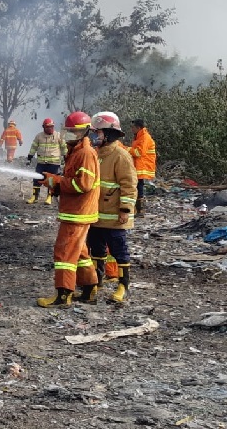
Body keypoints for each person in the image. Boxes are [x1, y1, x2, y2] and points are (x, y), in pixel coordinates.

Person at [36, 111, 100, 308]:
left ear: (86, 131)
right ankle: (89, 290)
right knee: (80, 253)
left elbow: (84, 185)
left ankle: (63, 295)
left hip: (77, 213)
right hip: (77, 212)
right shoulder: (77, 150)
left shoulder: (85, 153)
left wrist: (56, 181)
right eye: (69, 130)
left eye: (75, 131)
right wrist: (55, 184)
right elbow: (73, 181)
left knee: (64, 254)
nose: (71, 134)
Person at [76, 111, 138, 305]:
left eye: (98, 132)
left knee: (119, 251)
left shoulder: (121, 155)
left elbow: (129, 185)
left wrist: (125, 210)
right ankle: (96, 283)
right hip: (96, 214)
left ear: (109, 134)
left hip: (114, 216)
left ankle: (123, 285)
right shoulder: (96, 154)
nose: (95, 136)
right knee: (96, 250)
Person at [25, 118, 67, 204]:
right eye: (48, 127)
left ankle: (49, 197)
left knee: (51, 181)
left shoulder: (58, 136)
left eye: (51, 127)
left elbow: (64, 147)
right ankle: (34, 197)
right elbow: (34, 147)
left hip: (54, 164)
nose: (50, 129)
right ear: (43, 127)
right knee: (36, 179)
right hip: (41, 163)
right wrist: (30, 157)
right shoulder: (39, 136)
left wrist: (66, 157)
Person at [126, 119, 156, 217]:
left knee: (139, 188)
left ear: (138, 128)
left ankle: (140, 211)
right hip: (138, 166)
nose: (131, 129)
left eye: (133, 127)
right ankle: (137, 210)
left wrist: (127, 149)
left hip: (142, 167)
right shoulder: (139, 137)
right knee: (137, 187)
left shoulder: (144, 137)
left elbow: (139, 153)